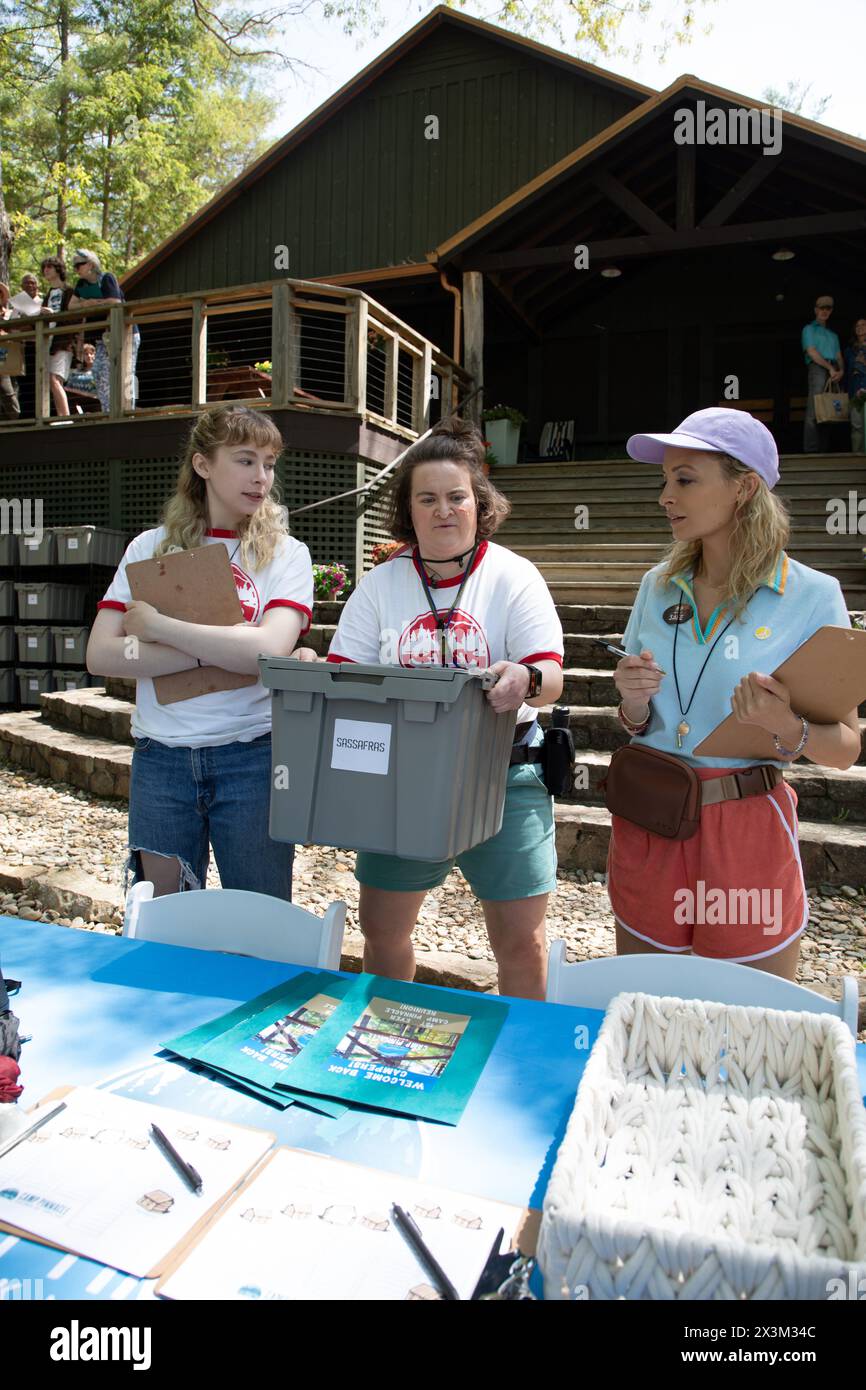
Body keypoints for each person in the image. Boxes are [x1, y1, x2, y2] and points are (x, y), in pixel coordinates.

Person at [608, 406, 860, 980]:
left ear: (745, 488)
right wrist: (634, 701)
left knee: (747, 1024)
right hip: (652, 817)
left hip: (747, 830)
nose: (665, 496)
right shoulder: (655, 585)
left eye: (685, 479)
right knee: (647, 1011)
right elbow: (639, 717)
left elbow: (845, 748)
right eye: (665, 479)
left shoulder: (814, 596)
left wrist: (784, 726)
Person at [326, 416, 565, 1000]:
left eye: (457, 497)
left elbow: (551, 677)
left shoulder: (515, 576)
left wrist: (524, 678)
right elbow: (343, 678)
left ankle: (513, 1061)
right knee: (381, 933)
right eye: (427, 499)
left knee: (522, 943)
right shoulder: (380, 584)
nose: (443, 510)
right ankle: (380, 1036)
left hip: (505, 775)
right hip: (401, 782)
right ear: (407, 511)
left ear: (479, 504)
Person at [86, 405, 314, 902]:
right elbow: (103, 653)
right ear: (203, 465)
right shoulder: (149, 548)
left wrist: (159, 628)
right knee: (162, 921)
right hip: (161, 761)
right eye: (245, 460)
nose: (261, 478)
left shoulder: (286, 554)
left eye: (269, 463)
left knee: (259, 923)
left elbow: (267, 650)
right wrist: (225, 646)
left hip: (253, 758)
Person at [68, 248, 140, 412]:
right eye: (74, 265)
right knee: (98, 371)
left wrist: (93, 302)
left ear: (91, 264)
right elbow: (71, 305)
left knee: (126, 372)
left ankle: (128, 411)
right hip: (103, 337)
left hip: (125, 334)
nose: (76, 268)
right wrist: (86, 304)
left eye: (79, 264)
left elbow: (115, 301)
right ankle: (108, 410)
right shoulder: (81, 284)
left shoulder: (106, 278)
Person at [801, 294, 844, 453]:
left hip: (833, 370)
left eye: (828, 308)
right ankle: (811, 451)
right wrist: (830, 368)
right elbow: (812, 352)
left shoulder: (833, 335)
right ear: (816, 310)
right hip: (818, 367)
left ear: (831, 311)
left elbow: (839, 355)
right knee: (815, 408)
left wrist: (841, 370)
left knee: (830, 409)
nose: (824, 311)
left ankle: (824, 449)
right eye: (821, 308)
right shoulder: (809, 329)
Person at [40, 256, 75, 417]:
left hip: (63, 342)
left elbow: (73, 317)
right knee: (51, 381)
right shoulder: (48, 294)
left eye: (49, 267)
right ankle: (61, 417)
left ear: (58, 269)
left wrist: (53, 314)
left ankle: (65, 418)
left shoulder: (69, 291)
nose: (46, 270)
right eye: (44, 268)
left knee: (55, 379)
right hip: (49, 342)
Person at [843, 317, 866, 454]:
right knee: (856, 425)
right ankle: (857, 455)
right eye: (857, 325)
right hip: (855, 391)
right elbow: (849, 370)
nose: (860, 327)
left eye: (863, 325)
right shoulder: (850, 351)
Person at [0, 283, 21, 420]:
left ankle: (12, 419)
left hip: (10, 353)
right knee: (5, 388)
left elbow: (18, 330)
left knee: (10, 388)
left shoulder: (9, 313)